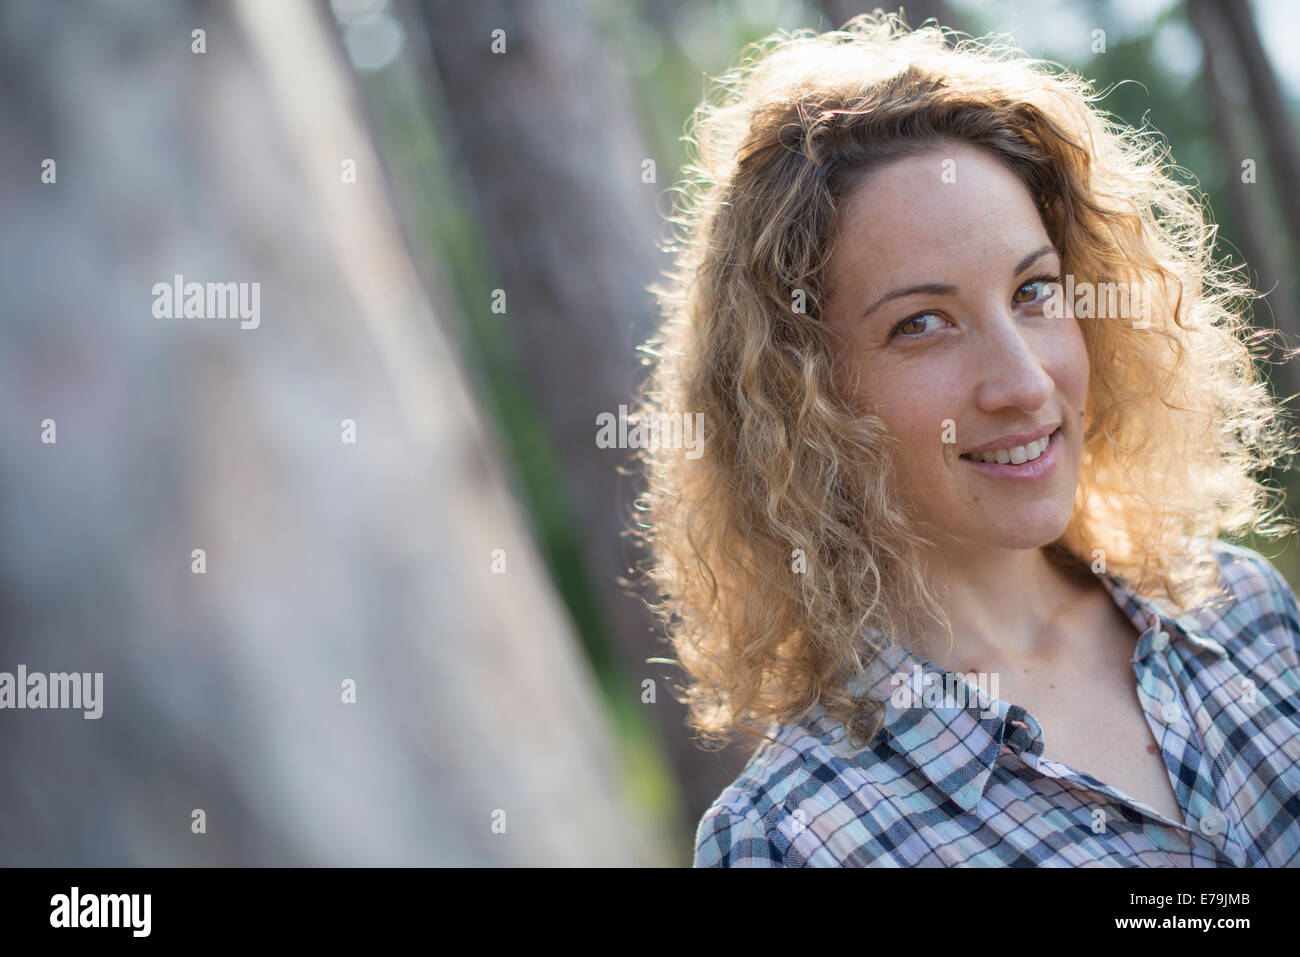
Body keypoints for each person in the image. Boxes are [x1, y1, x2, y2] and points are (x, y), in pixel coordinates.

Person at [630, 11, 1300, 866]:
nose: (1024, 383)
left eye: (1033, 292)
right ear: (804, 397)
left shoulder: (1245, 612)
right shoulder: (792, 837)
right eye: (921, 324)